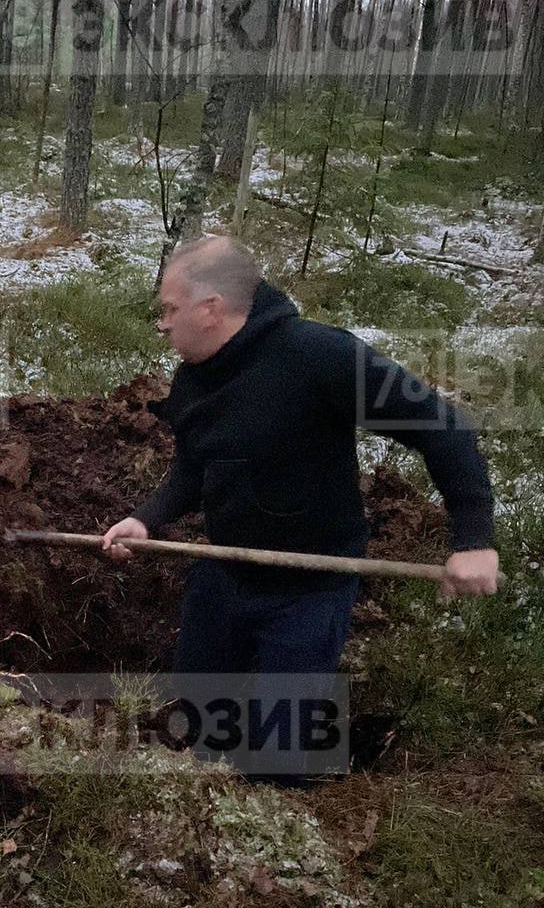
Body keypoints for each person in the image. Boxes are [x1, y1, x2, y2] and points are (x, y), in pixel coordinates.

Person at [101, 236, 498, 682]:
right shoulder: (196, 378)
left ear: (210, 309)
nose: (163, 324)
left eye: (171, 309)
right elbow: (196, 466)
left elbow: (441, 425)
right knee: (200, 719)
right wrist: (147, 518)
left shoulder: (322, 356)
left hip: (312, 587)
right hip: (226, 570)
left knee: (281, 739)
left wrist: (474, 540)